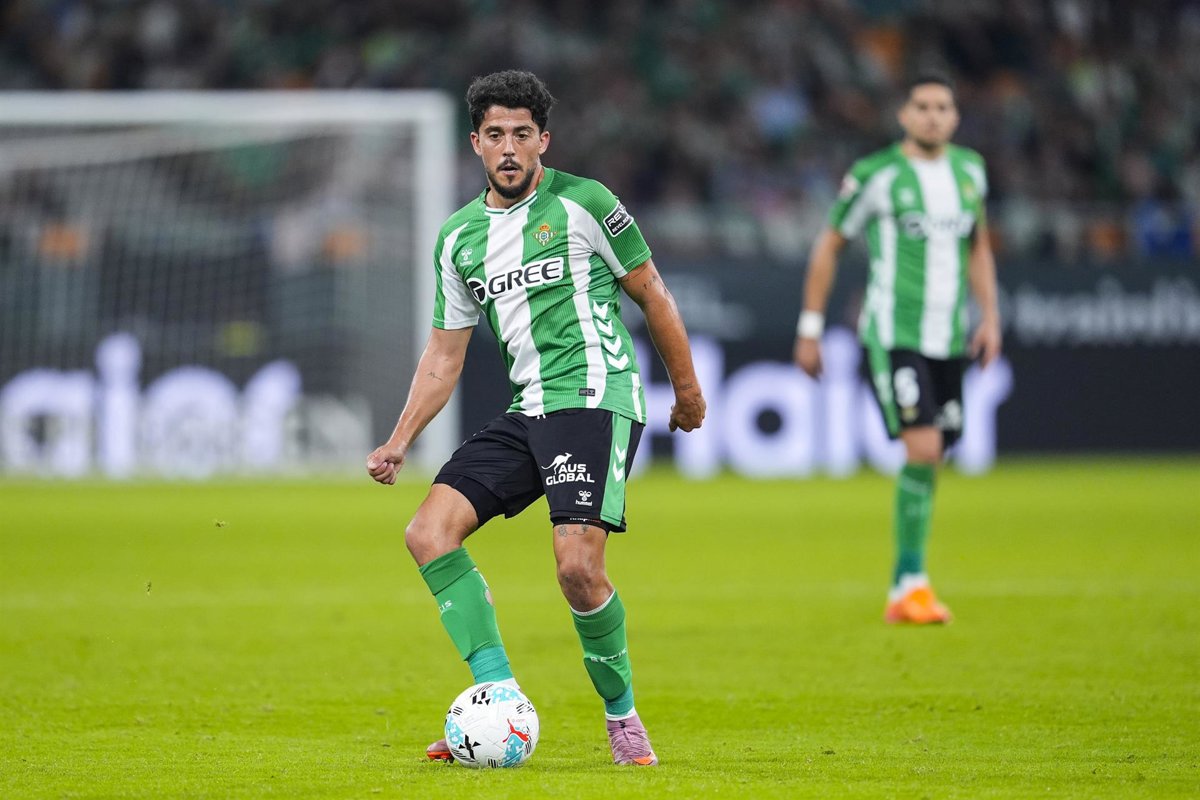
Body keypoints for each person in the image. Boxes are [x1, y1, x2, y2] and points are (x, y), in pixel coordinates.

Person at [366, 70, 706, 765]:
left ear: (543, 140)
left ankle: (623, 719)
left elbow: (653, 294)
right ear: (475, 144)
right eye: (495, 134)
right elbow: (443, 355)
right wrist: (400, 439)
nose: (509, 147)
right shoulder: (458, 238)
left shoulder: (587, 203)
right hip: (529, 410)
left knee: (576, 568)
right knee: (428, 533)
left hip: (595, 396)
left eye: (522, 133)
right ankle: (498, 701)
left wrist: (688, 390)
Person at [793, 73, 1002, 624]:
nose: (933, 115)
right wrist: (810, 327)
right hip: (893, 334)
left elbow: (978, 246)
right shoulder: (876, 175)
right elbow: (829, 246)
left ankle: (907, 584)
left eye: (943, 107)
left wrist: (990, 318)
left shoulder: (970, 171)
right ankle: (910, 585)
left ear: (955, 117)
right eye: (922, 106)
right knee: (924, 449)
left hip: (948, 337)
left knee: (935, 454)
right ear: (904, 116)